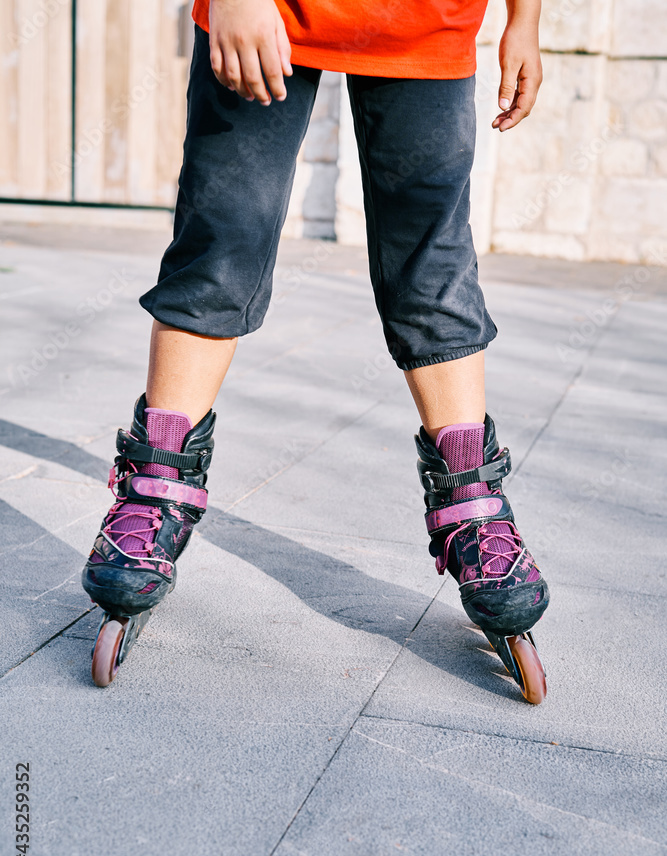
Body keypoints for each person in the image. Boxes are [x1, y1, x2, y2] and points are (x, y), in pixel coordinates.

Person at [82, 0, 549, 701]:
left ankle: (471, 498)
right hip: (268, 16)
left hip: (429, 20)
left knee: (434, 264)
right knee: (221, 243)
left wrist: (525, 19)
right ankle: (154, 485)